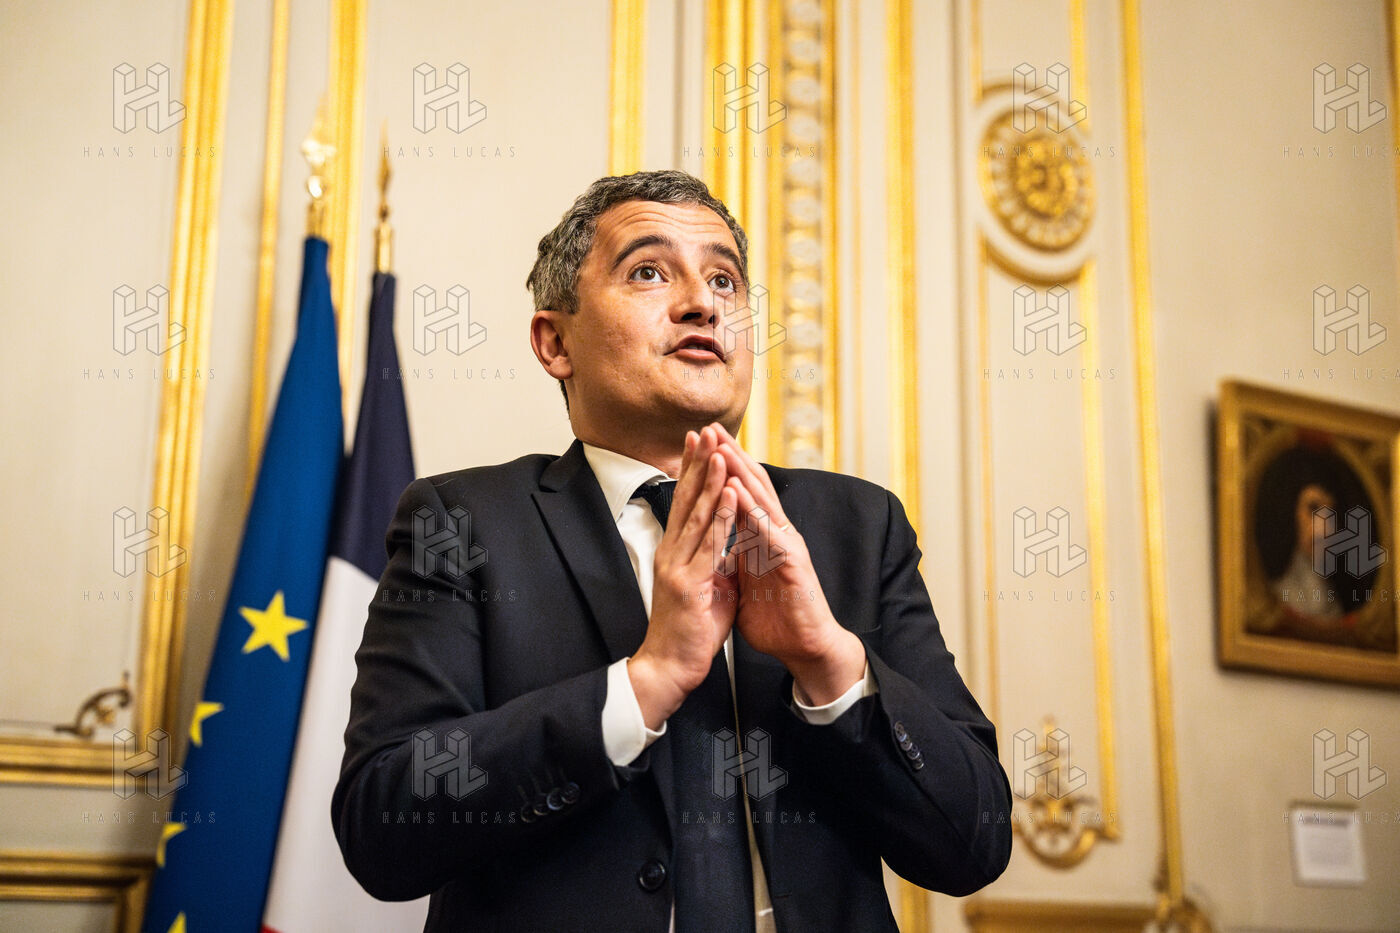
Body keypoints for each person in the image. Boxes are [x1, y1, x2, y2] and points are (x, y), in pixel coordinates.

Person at [332, 169, 1012, 931]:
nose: (702, 303)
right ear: (555, 341)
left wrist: (828, 661)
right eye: (649, 272)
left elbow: (975, 842)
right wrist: (644, 682)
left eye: (724, 280)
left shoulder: (857, 526)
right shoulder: (461, 522)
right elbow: (383, 825)